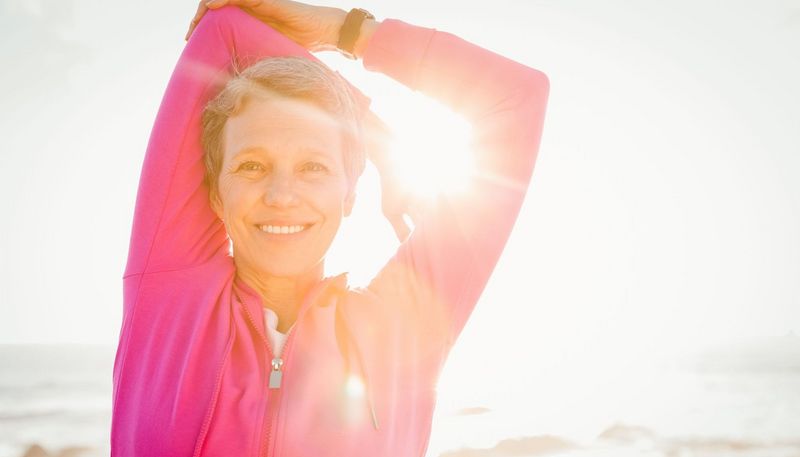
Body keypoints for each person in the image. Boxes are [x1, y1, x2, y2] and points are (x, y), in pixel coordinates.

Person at [112, 1, 549, 456]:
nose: (282, 195)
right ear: (216, 195)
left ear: (349, 195)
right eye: (252, 165)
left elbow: (517, 98)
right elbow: (222, 33)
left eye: (313, 167)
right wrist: (377, 139)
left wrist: (353, 33)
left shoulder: (405, 326)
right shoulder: (169, 300)